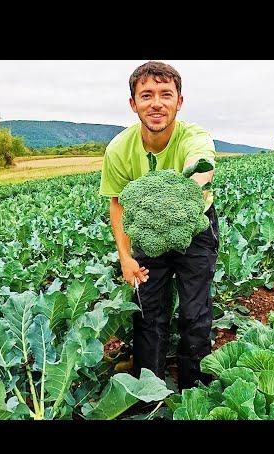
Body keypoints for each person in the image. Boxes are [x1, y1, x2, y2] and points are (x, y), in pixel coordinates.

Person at [99, 61, 218, 390]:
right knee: (148, 313)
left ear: (179, 101)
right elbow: (118, 203)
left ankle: (193, 390)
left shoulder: (193, 137)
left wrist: (189, 185)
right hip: (149, 235)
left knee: (195, 313)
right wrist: (125, 257)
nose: (156, 102)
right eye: (146, 95)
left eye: (166, 94)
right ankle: (147, 390)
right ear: (133, 103)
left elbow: (201, 164)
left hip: (193, 230)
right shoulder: (119, 150)